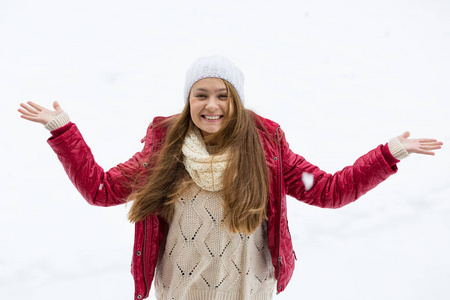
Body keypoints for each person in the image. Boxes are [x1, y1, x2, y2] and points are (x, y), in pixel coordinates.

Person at [18, 56, 443, 300]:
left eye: (223, 95)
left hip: (248, 291)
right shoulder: (165, 149)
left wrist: (390, 153)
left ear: (236, 101)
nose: (212, 105)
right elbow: (102, 190)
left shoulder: (267, 148)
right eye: (201, 94)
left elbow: (329, 191)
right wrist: (63, 131)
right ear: (188, 100)